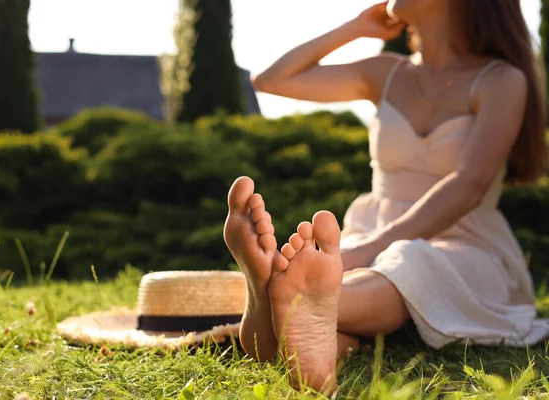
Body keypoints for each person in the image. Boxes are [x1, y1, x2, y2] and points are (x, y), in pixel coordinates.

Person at [223, 0, 549, 393]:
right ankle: (301, 317)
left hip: (464, 241)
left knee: (409, 261)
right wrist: (354, 28)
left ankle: (280, 298)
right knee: (357, 275)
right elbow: (270, 80)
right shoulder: (385, 74)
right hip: (372, 230)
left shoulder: (501, 80)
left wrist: (376, 245)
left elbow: (469, 185)